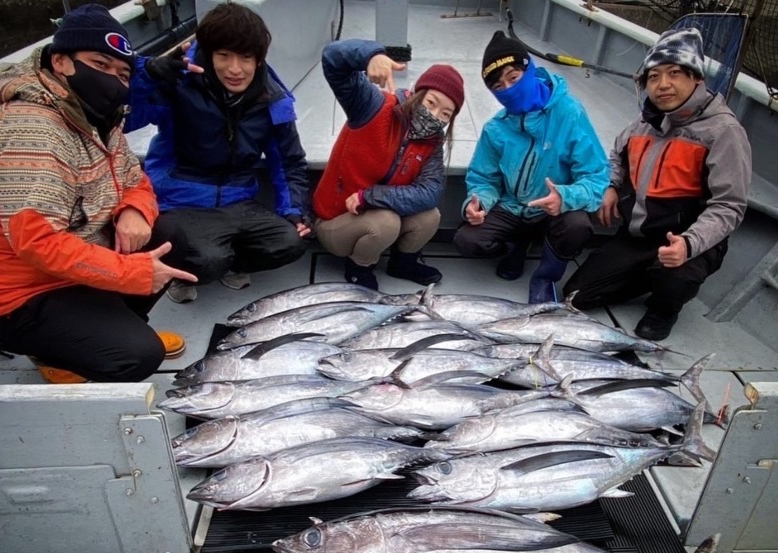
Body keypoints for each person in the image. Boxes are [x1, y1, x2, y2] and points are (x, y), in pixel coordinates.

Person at [0, 3, 195, 384]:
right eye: (100, 64)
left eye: (122, 72)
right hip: (24, 293)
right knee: (139, 356)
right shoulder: (32, 130)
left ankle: (111, 328)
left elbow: (136, 179)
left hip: (77, 267)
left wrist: (134, 212)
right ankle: (58, 354)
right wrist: (132, 272)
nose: (112, 79)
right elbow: (36, 243)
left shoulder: (99, 117)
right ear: (61, 62)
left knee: (170, 232)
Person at [564, 28, 752, 340]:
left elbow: (730, 206)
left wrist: (689, 244)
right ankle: (648, 274)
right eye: (653, 77)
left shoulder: (724, 132)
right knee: (576, 296)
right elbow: (616, 156)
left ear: (696, 78)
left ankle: (664, 308)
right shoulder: (642, 122)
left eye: (674, 73)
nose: (663, 85)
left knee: (674, 280)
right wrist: (611, 185)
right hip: (639, 235)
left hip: (689, 240)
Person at [126, 2, 311, 304]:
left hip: (239, 199)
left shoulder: (273, 99)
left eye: (246, 57)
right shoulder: (177, 84)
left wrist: (293, 210)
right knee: (208, 260)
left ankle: (230, 263)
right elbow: (122, 121)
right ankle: (185, 270)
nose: (235, 69)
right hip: (179, 199)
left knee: (290, 242)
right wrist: (146, 74)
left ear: (259, 60)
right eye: (224, 55)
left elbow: (288, 162)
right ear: (209, 55)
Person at [453, 30, 608, 304]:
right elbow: (483, 178)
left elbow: (596, 175)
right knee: (467, 239)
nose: (508, 89)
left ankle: (545, 277)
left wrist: (564, 197)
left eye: (513, 78)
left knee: (578, 226)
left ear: (530, 70)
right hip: (513, 208)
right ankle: (516, 247)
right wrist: (478, 203)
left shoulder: (570, 113)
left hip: (555, 211)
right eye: (498, 87)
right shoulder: (495, 129)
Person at [312, 39, 464, 289]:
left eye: (446, 114)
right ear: (417, 94)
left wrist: (369, 197)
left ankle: (402, 263)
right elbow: (332, 58)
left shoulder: (433, 142)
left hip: (371, 208)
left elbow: (431, 193)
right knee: (386, 222)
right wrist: (371, 56)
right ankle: (358, 269)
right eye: (431, 103)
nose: (435, 116)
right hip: (334, 221)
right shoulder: (373, 106)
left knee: (430, 216)